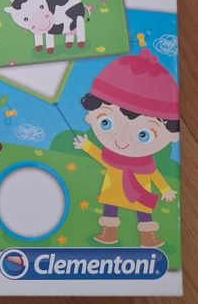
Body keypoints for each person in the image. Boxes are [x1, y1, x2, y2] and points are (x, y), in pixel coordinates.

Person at [73, 49, 179, 248]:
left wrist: (165, 190)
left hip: (139, 188)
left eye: (143, 135)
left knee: (143, 211)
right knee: (111, 208)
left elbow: (154, 174)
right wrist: (86, 145)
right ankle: (108, 232)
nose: (122, 141)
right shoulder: (111, 156)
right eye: (106, 123)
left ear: (171, 133)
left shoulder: (145, 163)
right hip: (113, 187)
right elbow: (101, 157)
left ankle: (148, 236)